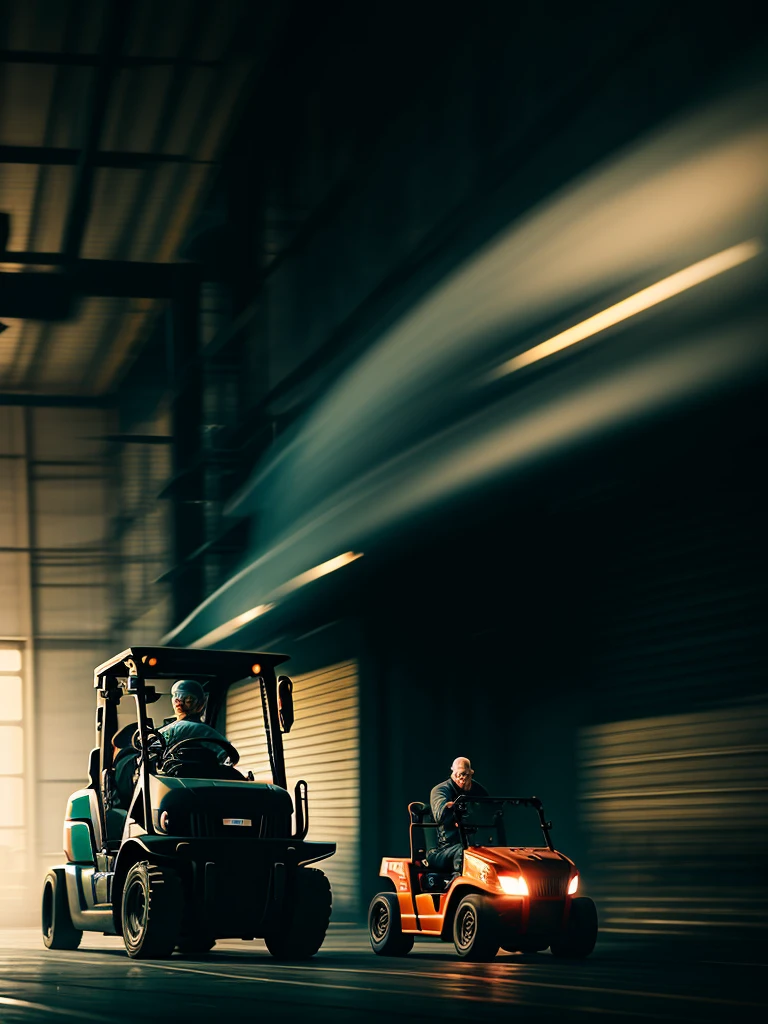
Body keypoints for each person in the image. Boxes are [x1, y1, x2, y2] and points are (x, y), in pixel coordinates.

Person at [428, 756, 489, 874]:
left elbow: (490, 806)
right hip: (445, 849)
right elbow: (441, 816)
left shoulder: (474, 788)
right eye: (460, 774)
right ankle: (459, 882)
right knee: (464, 851)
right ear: (454, 773)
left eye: (467, 775)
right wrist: (452, 808)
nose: (463, 778)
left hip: (470, 843)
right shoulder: (440, 790)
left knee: (485, 851)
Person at [159, 679, 235, 762]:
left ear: (200, 704)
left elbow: (228, 755)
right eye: (176, 695)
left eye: (188, 699)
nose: (180, 702)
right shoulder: (174, 729)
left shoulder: (193, 729)